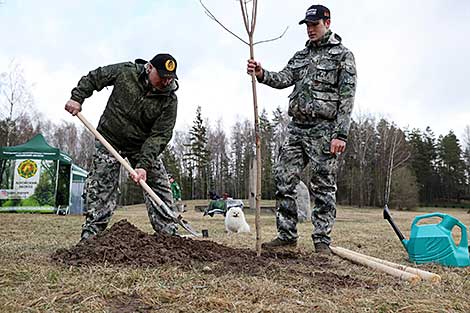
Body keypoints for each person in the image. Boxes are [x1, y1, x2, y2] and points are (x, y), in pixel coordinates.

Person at [247, 4, 357, 253]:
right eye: (307, 26)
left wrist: (340, 134)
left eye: (314, 25)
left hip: (325, 130)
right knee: (283, 178)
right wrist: (262, 73)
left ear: (327, 23)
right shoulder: (300, 56)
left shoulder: (342, 55)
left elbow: (347, 97)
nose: (310, 30)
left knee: (323, 185)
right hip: (297, 129)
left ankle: (322, 241)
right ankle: (287, 237)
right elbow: (283, 78)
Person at [64, 53, 180, 241]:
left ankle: (169, 234)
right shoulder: (126, 72)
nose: (166, 82)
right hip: (109, 139)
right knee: (102, 186)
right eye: (162, 76)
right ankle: (92, 236)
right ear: (149, 68)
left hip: (141, 146)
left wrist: (143, 165)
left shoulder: (169, 100)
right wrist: (77, 97)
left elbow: (160, 135)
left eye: (170, 78)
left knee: (159, 185)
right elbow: (96, 77)